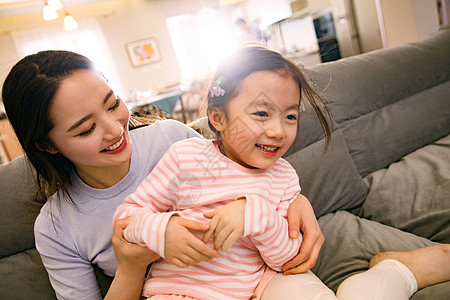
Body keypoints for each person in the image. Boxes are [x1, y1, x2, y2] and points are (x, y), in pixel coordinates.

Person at [1, 50, 324, 300]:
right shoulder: (57, 227)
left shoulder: (172, 138)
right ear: (47, 144)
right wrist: (132, 265)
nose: (116, 129)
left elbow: (239, 171)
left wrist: (295, 200)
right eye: (87, 129)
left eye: (113, 105)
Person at [113, 46, 336, 299]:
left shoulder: (283, 177)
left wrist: (259, 216)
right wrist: (163, 229)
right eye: (261, 113)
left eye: (290, 116)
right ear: (218, 118)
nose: (278, 131)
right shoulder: (185, 157)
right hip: (172, 292)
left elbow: (286, 260)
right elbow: (126, 218)